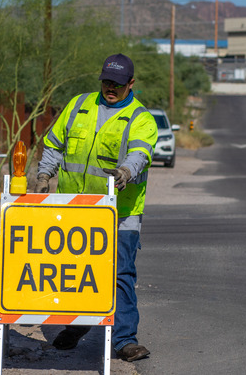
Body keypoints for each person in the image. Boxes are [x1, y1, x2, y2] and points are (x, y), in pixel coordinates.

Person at [34, 53, 157, 362]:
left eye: (116, 84)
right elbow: (54, 143)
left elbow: (141, 152)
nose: (110, 88)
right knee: (76, 272)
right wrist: (44, 174)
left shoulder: (141, 118)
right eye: (105, 82)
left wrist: (127, 172)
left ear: (131, 84)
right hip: (75, 209)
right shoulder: (79, 105)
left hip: (119, 213)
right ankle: (78, 326)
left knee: (120, 274)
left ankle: (125, 340)